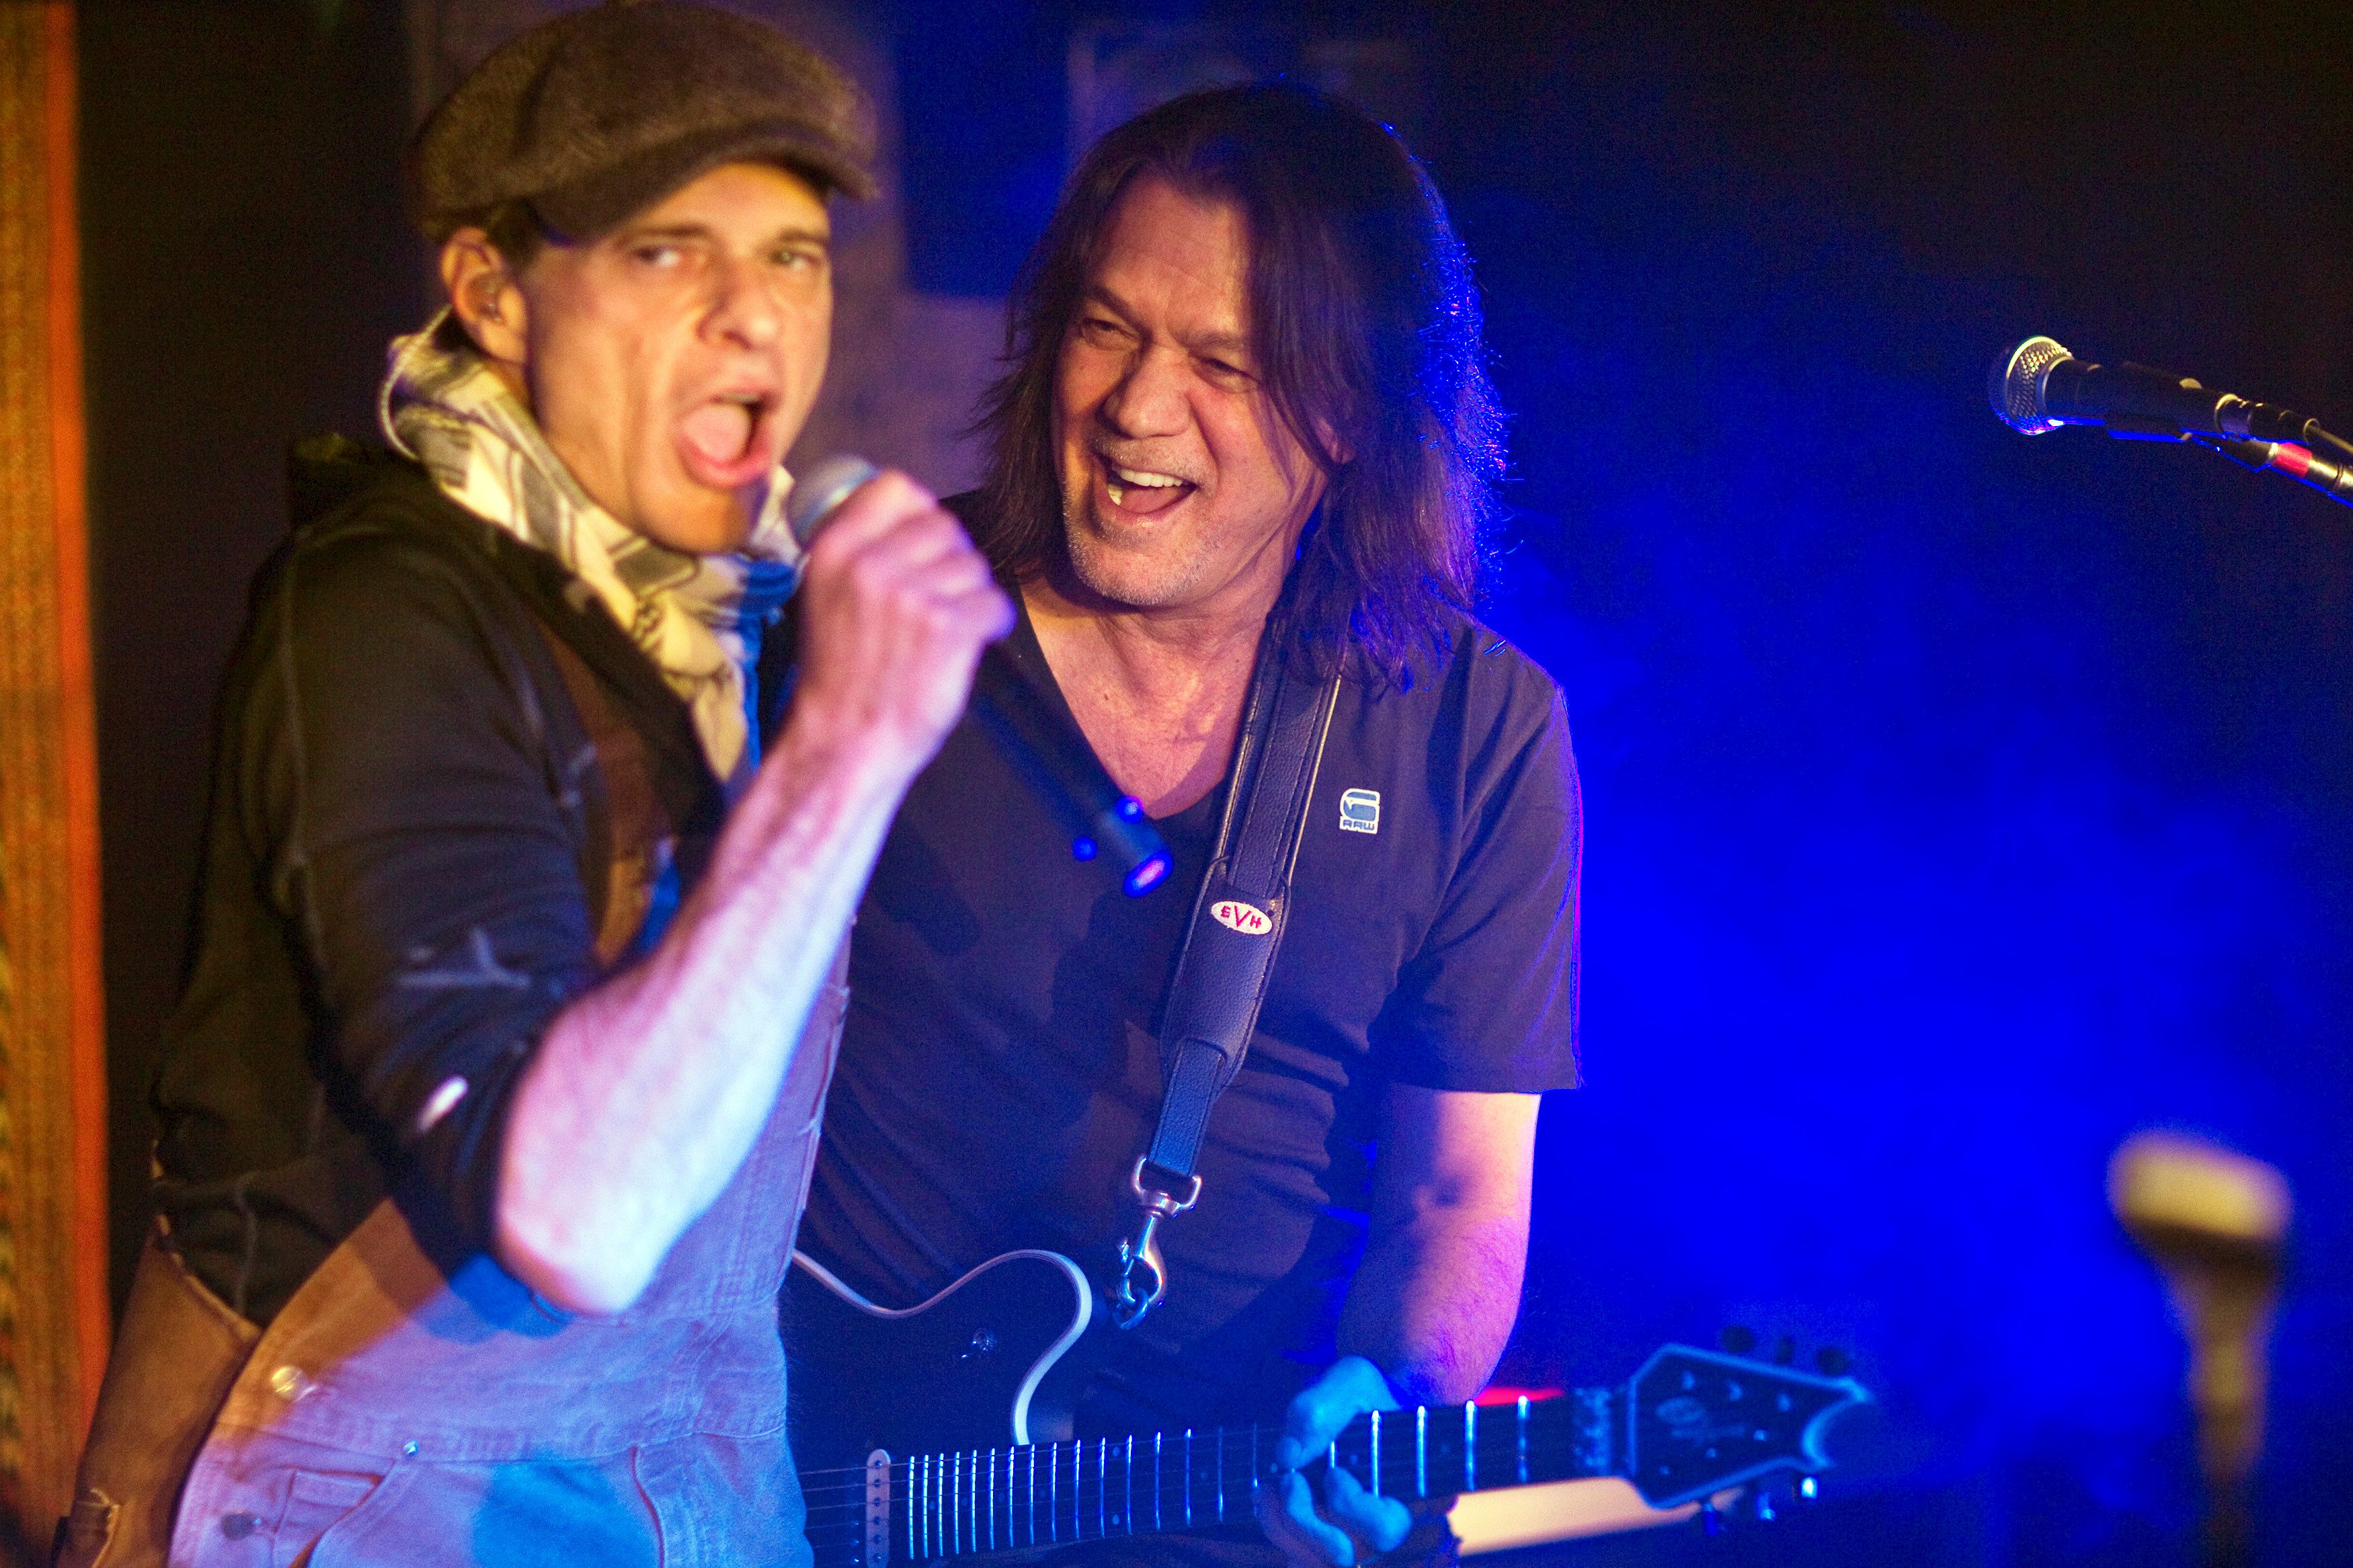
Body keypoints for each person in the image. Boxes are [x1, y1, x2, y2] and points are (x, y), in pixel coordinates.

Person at [57, 4, 1010, 1565]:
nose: (751, 316)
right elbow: (573, 1213)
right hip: (345, 1508)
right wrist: (846, 756)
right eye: (665, 251)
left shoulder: (746, 619)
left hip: (675, 1499)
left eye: (792, 255)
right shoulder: (384, 617)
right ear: (494, 296)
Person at [797, 84, 1582, 1568]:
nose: (1136, 411)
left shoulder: (1481, 731)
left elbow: (1458, 1192)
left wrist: (1398, 1387)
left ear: (1353, 413)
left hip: (1221, 1504)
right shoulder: (893, 622)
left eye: (1221, 361)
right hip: (823, 1481)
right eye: (1105, 330)